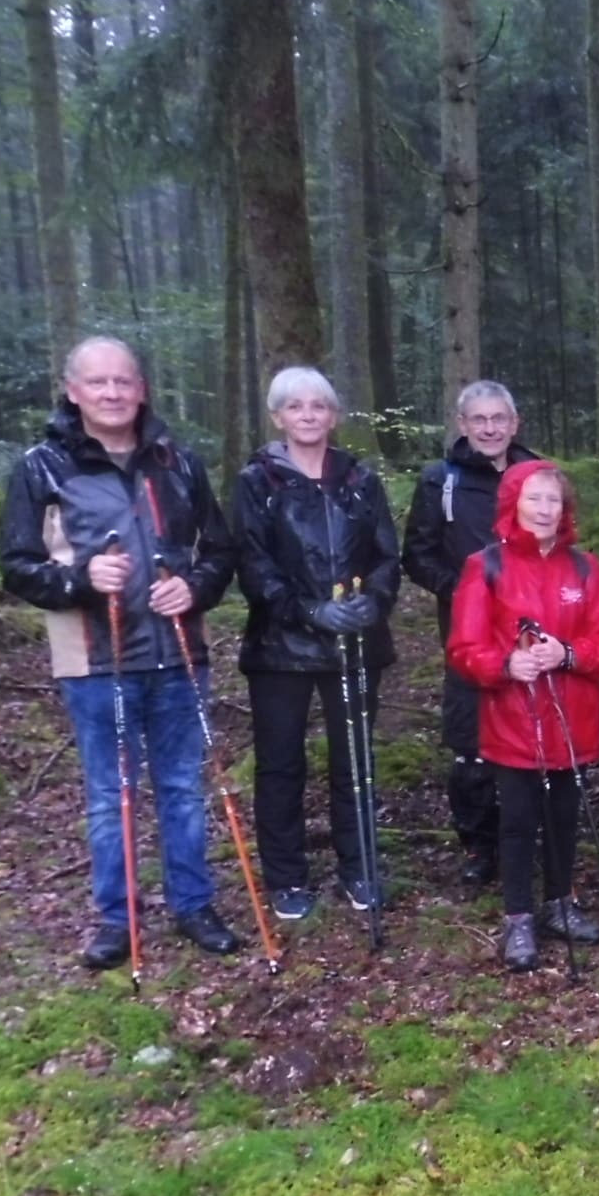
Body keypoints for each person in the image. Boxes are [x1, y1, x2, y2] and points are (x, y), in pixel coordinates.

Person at [0, 335, 241, 966]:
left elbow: (219, 553)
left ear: (142, 389)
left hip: (180, 652)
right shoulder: (43, 466)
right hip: (93, 656)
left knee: (184, 786)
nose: (111, 393)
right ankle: (117, 918)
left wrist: (194, 587)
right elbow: (17, 566)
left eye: (123, 382)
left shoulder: (177, 461)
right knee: (111, 793)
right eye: (98, 383)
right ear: (72, 389)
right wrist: (79, 580)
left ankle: (194, 905)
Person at [232, 367, 401, 921]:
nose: (308, 415)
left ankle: (360, 867)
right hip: (280, 646)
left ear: (334, 415)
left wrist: (371, 603)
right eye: (295, 406)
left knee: (353, 758)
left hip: (354, 643)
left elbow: (385, 556)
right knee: (280, 763)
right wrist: (308, 611)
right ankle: (286, 876)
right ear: (278, 416)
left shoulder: (360, 478)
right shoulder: (257, 481)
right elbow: (253, 565)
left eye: (318, 406)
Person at [446, 460, 599, 970]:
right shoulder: (487, 567)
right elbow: (464, 646)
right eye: (535, 498)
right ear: (513, 503)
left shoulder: (585, 568)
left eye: (554, 500)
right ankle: (518, 917)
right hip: (513, 719)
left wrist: (568, 654)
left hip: (573, 718)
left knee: (565, 816)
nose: (545, 509)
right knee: (519, 821)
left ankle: (560, 903)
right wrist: (507, 664)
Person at [403, 381, 538, 886]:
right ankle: (479, 846)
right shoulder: (442, 480)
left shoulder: (535, 475)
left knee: (529, 729)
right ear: (462, 425)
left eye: (498, 418)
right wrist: (461, 591)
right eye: (478, 419)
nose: (489, 428)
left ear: (514, 422)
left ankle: (527, 835)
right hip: (468, 632)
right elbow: (416, 554)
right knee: (470, 739)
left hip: (530, 627)